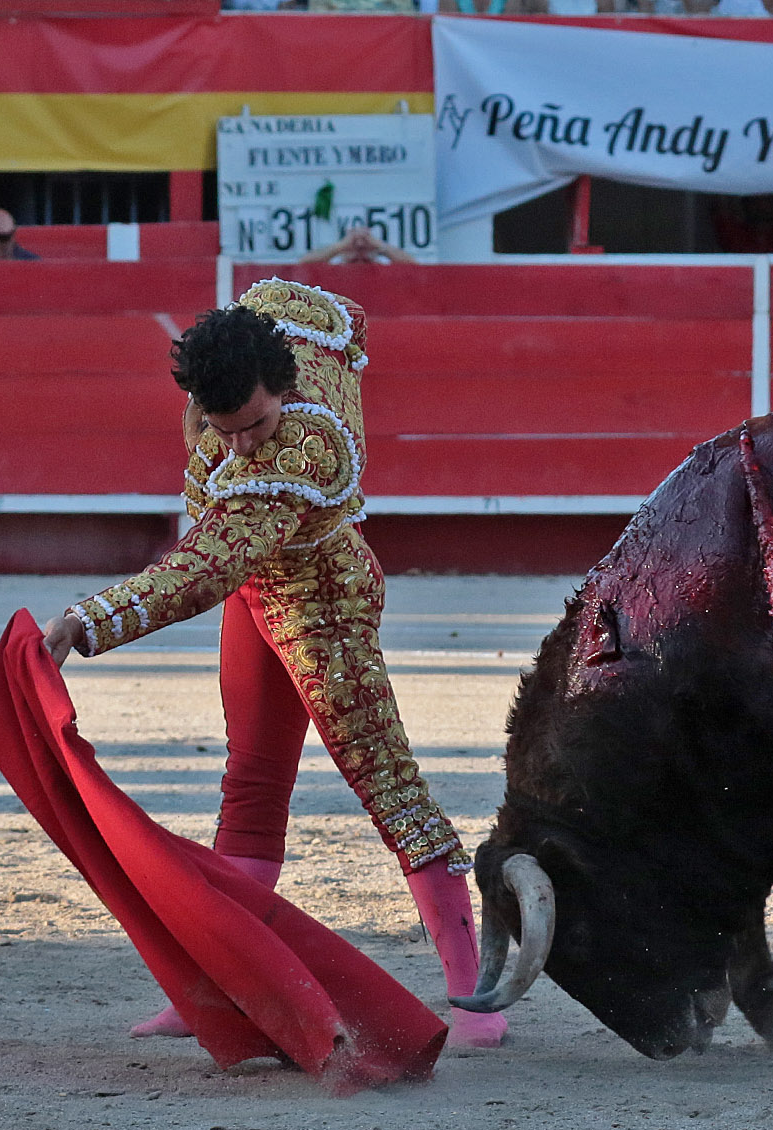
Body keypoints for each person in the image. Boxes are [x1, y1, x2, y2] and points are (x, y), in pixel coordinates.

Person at [41, 279, 506, 1049]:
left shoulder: (300, 449)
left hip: (323, 605)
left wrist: (89, 620)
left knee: (390, 785)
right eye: (223, 429)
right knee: (251, 781)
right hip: (256, 597)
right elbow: (333, 312)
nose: (241, 445)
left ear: (282, 390)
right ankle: (224, 990)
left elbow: (203, 567)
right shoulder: (276, 328)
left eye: (254, 424)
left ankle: (477, 996)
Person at [299, 225, 417, 265]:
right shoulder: (336, 271)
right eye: (353, 248)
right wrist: (340, 246)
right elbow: (304, 263)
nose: (359, 254)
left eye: (364, 248)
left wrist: (380, 246)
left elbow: (413, 265)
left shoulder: (382, 270)